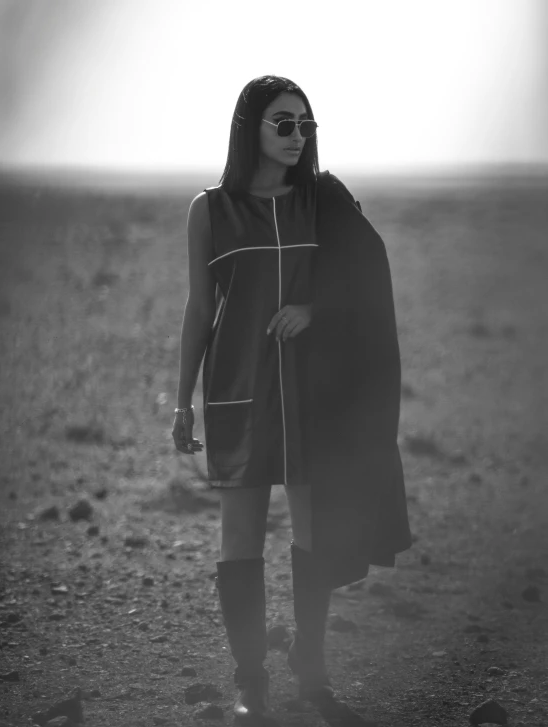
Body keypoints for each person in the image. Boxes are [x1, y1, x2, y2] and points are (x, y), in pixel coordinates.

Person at [172, 75, 412, 723]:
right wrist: (180, 401)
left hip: (310, 391)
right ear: (249, 125)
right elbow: (200, 309)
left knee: (313, 528)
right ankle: (251, 680)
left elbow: (366, 270)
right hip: (237, 390)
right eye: (283, 123)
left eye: (305, 124)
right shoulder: (210, 210)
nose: (296, 135)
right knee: (240, 535)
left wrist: (315, 305)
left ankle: (312, 672)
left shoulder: (319, 200)